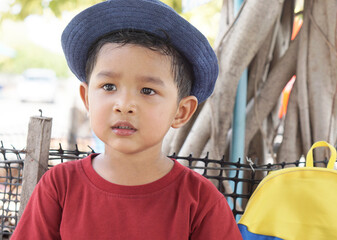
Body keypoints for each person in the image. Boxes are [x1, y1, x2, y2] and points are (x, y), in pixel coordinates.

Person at [12, 0, 242, 239]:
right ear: (87, 98)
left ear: (181, 111)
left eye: (147, 91)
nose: (124, 105)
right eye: (109, 86)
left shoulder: (201, 201)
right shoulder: (60, 186)